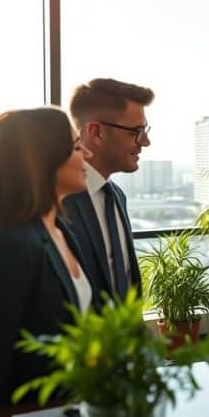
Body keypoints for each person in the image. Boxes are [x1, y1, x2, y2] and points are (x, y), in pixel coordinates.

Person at [0, 107, 94, 411]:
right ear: (44, 162)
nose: (88, 156)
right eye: (78, 147)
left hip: (66, 416)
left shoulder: (61, 231)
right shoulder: (7, 246)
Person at [63, 77, 154, 308]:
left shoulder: (117, 196)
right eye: (136, 131)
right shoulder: (57, 204)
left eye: (145, 130)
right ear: (96, 132)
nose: (146, 141)